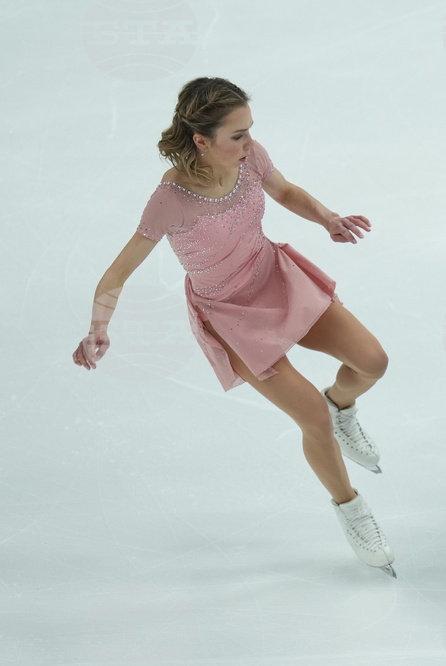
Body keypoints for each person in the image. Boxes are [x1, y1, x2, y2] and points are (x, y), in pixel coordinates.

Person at [71, 77, 396, 577]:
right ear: (202, 140)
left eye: (249, 131)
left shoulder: (250, 159)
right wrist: (99, 328)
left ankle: (343, 405)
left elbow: (283, 189)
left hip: (275, 276)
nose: (249, 144)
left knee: (373, 361)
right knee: (310, 417)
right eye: (237, 135)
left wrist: (327, 218)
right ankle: (351, 508)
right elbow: (116, 272)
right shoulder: (169, 201)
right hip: (228, 312)